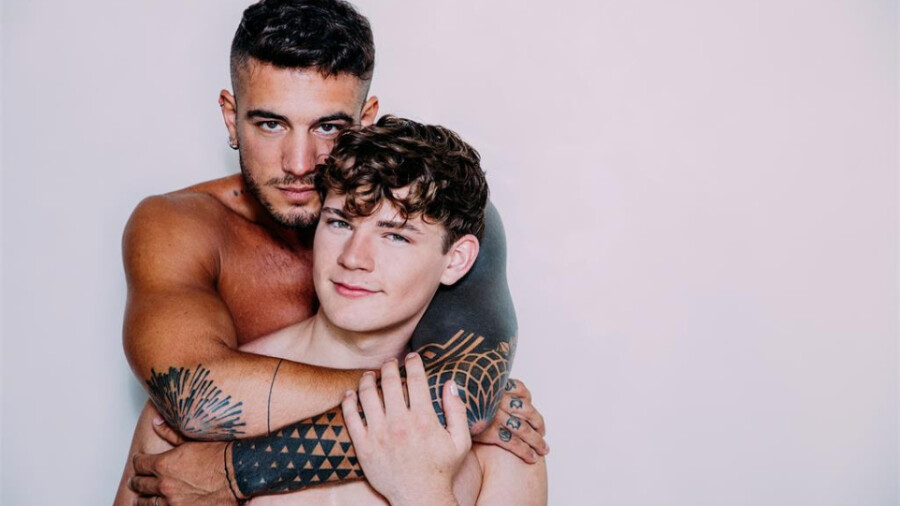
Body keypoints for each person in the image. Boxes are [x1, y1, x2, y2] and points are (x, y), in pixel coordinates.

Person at [116, 1, 547, 504]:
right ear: (232, 118)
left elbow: (469, 397)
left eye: (327, 127)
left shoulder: (443, 209)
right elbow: (192, 399)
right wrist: (433, 405)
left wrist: (446, 415)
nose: (300, 163)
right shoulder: (182, 227)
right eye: (270, 124)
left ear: (365, 121)